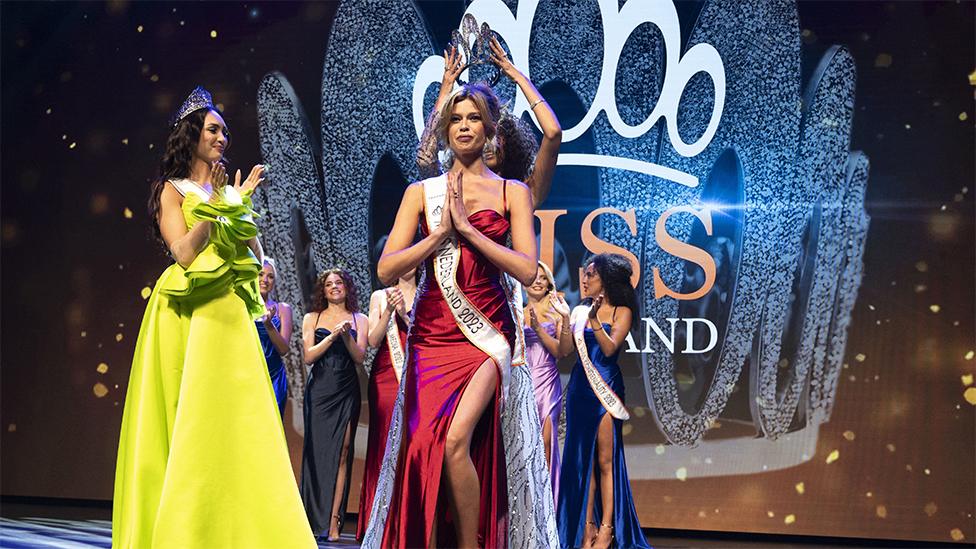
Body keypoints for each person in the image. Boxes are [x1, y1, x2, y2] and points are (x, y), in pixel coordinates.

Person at [113, 86, 315, 549]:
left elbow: (257, 256)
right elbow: (184, 252)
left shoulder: (225, 189)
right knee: (192, 417)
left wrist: (237, 203)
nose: (223, 137)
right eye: (213, 129)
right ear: (193, 135)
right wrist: (222, 208)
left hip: (229, 310)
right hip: (190, 310)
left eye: (225, 130)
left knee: (241, 419)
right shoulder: (172, 189)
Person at [370, 82, 537, 548]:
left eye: (474, 119)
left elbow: (526, 268)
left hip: (486, 334)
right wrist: (440, 235)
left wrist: (469, 232)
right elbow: (387, 268)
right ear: (446, 131)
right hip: (431, 334)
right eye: (457, 119)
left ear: (489, 131)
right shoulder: (420, 192)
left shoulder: (512, 192)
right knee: (423, 445)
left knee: (456, 440)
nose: (465, 127)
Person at [558, 254, 650, 549]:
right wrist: (563, 320)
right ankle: (586, 528)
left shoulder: (622, 311)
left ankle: (608, 527)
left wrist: (596, 320)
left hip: (606, 389)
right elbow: (566, 350)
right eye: (583, 275)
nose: (584, 280)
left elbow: (609, 350)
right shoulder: (580, 309)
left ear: (606, 280)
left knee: (605, 460)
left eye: (590, 276)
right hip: (579, 391)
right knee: (582, 460)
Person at [418, 37, 562, 206]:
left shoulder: (522, 194)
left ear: (509, 143)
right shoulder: (448, 190)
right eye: (458, 120)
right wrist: (446, 89)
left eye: (493, 136)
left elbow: (553, 133)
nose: (487, 145)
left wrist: (517, 76)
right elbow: (425, 158)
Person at [299, 268, 367, 541]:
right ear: (323, 290)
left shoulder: (358, 318)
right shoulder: (312, 317)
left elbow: (360, 357)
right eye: (329, 284)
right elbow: (308, 356)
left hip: (345, 388)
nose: (335, 287)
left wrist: (348, 335)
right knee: (317, 455)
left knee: (343, 451)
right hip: (320, 391)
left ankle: (334, 520)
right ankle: (310, 518)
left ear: (347, 287)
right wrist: (331, 336)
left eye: (339, 283)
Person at [356, 268, 417, 540]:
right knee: (383, 442)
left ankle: (405, 519)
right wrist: (392, 311)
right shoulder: (381, 296)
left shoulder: (431, 293)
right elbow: (372, 339)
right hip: (386, 375)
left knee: (411, 444)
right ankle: (376, 518)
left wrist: (406, 313)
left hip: (418, 373)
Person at [523, 261, 573, 497]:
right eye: (535, 277)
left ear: (549, 283)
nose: (538, 281)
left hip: (546, 381)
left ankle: (547, 503)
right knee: (523, 445)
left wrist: (539, 329)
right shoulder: (516, 311)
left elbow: (562, 351)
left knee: (545, 443)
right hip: (522, 381)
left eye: (544, 278)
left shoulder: (557, 310)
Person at [256, 257, 293, 417]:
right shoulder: (242, 306)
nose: (265, 279)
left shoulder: (282, 309)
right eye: (261, 274)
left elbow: (283, 349)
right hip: (250, 375)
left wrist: (269, 325)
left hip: (274, 377)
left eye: (270, 276)